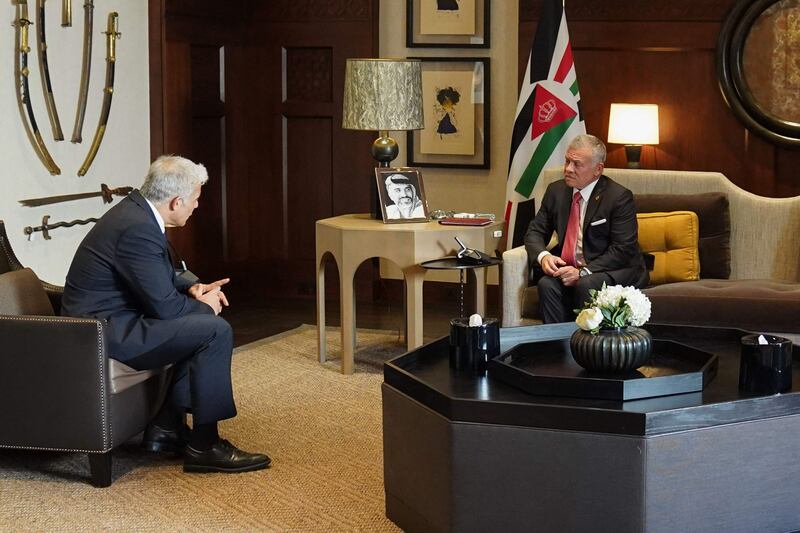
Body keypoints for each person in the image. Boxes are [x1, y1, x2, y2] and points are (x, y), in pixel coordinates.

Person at [62, 155, 270, 474]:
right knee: (213, 329)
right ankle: (204, 446)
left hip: (114, 321)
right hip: (103, 335)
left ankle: (167, 429)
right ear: (176, 201)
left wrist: (193, 288)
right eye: (196, 200)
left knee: (199, 327)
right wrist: (206, 306)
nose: (197, 207)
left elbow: (153, 272)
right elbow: (165, 309)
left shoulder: (137, 212)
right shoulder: (137, 227)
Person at [524, 134, 648, 323]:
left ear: (597, 169)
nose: (568, 169)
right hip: (571, 266)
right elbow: (535, 231)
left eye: (577, 164)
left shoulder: (619, 197)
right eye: (567, 161)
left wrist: (583, 271)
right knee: (546, 283)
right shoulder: (556, 191)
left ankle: (587, 348)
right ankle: (558, 346)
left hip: (614, 268)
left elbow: (623, 249)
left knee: (586, 284)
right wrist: (544, 257)